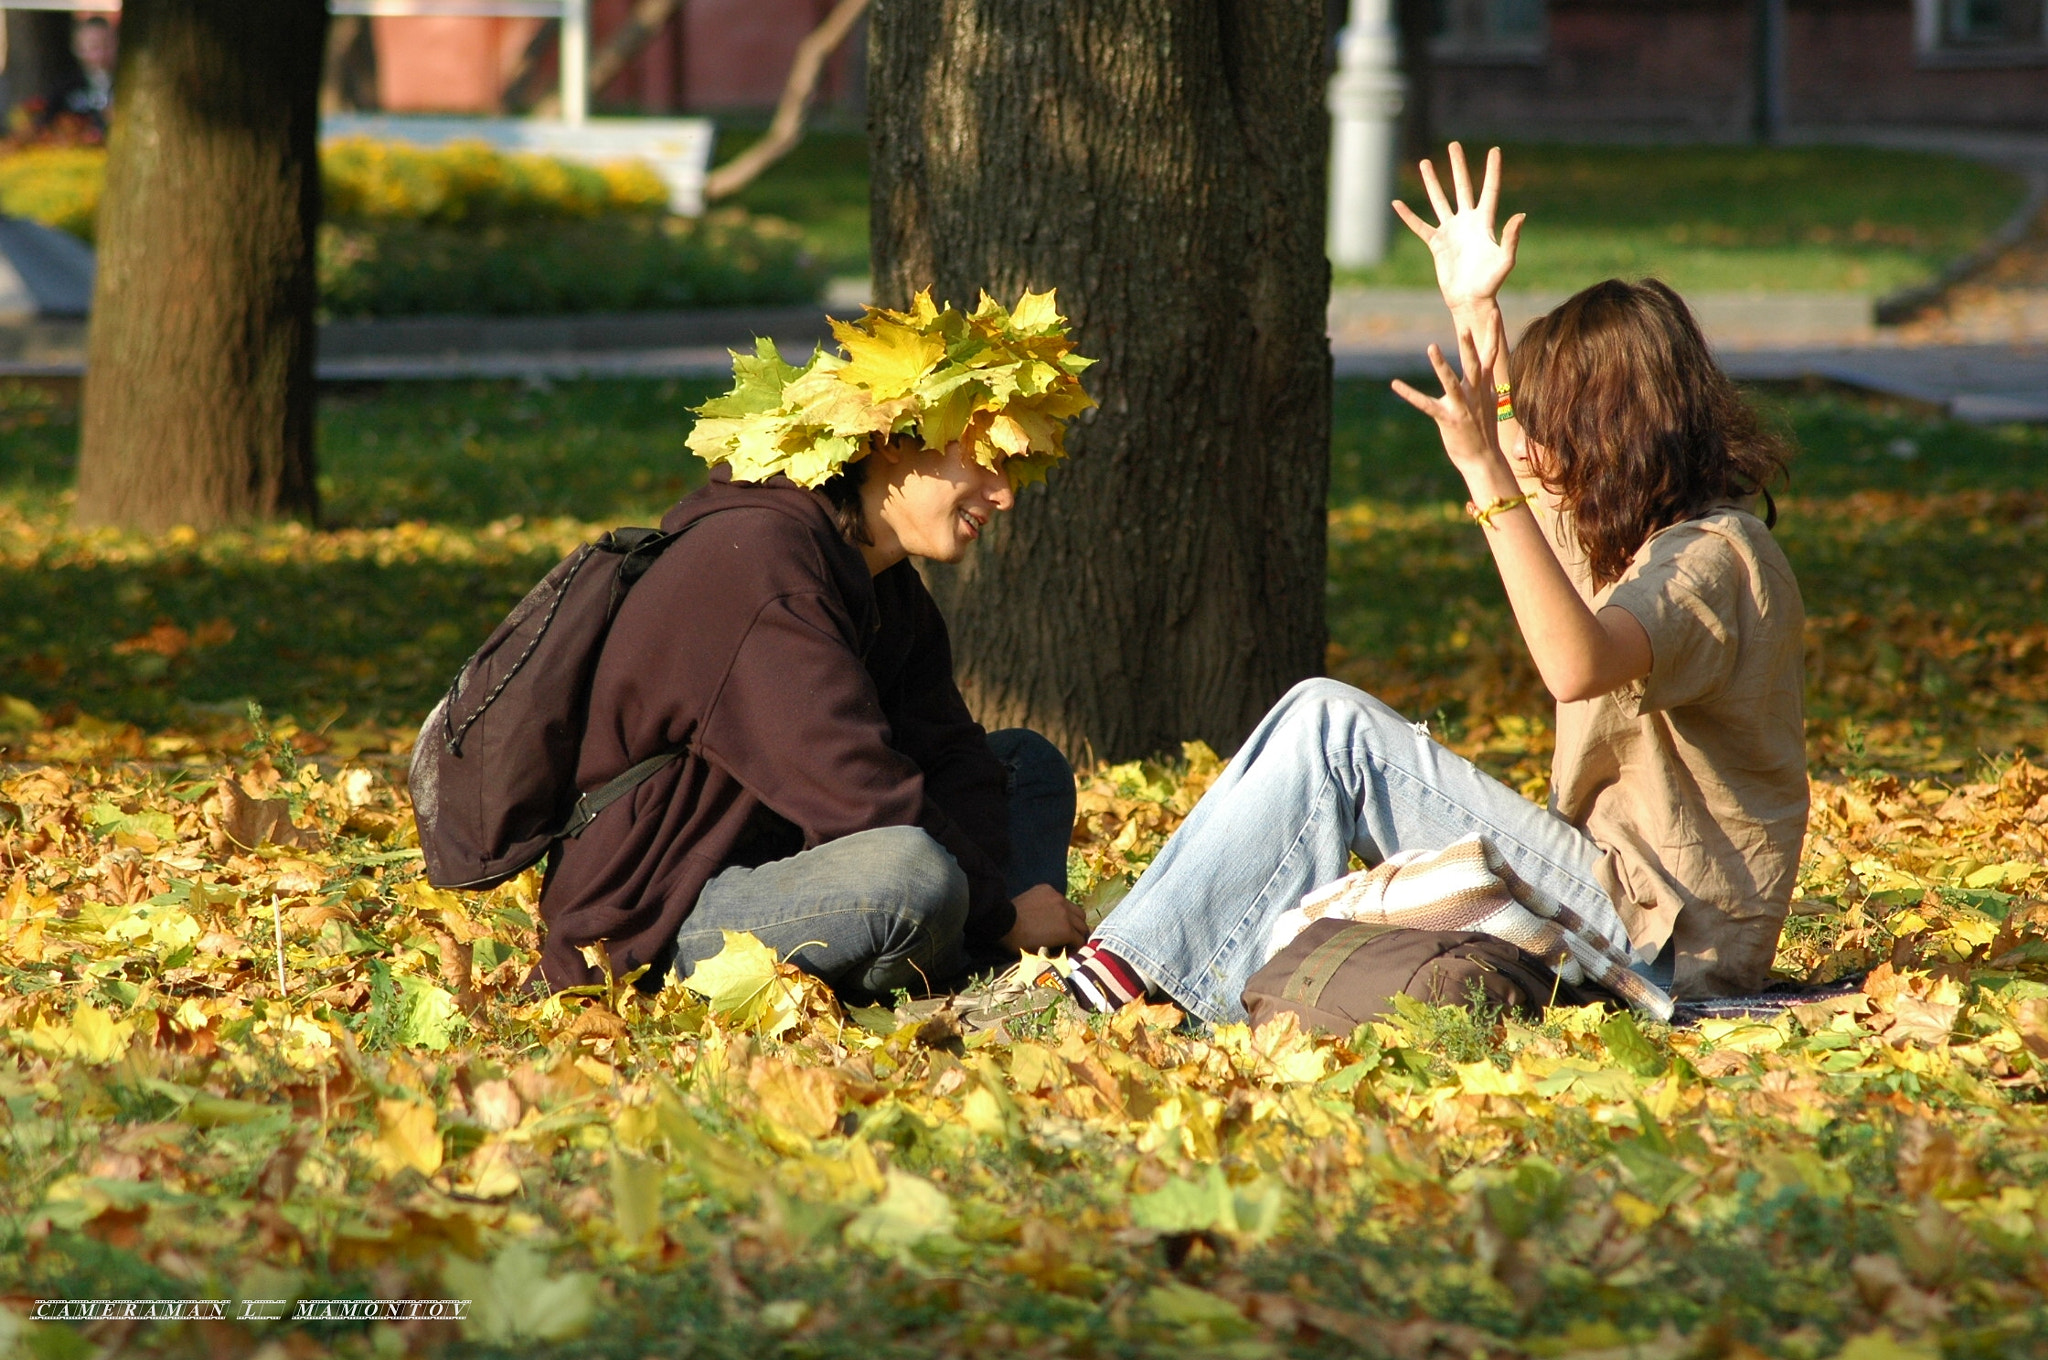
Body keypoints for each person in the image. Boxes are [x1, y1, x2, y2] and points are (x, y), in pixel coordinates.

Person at [1066, 144, 1806, 1018]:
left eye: (1555, 429)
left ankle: (1125, 981)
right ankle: (1163, 969)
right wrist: (1474, 306)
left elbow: (1576, 663)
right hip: (1624, 904)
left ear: (1616, 438)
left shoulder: (1715, 559)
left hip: (1669, 942)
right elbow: (1521, 468)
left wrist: (1488, 475)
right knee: (1322, 730)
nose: (1532, 451)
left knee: (1331, 724)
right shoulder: (1644, 534)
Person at [534, 289, 1097, 999]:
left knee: (1023, 766)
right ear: (893, 441)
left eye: (1012, 469)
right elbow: (854, 790)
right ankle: (966, 955)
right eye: (984, 458)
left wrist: (991, 903)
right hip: (666, 908)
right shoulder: (761, 562)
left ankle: (963, 952)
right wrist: (1003, 910)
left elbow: (947, 747)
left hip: (795, 856)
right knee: (913, 876)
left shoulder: (883, 580)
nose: (1005, 493)